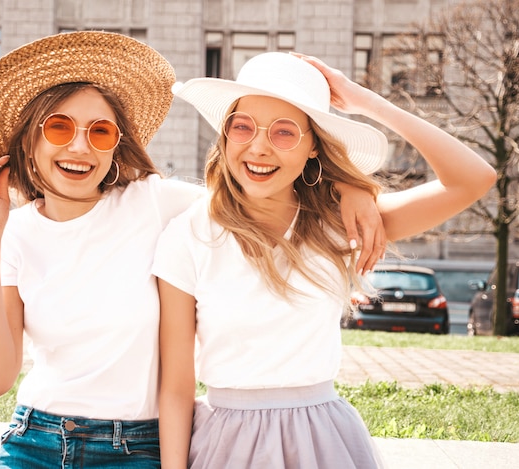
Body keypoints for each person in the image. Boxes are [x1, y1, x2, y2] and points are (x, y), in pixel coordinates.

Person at [0, 32, 385, 468]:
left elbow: (257, 189)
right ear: (30, 142)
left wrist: (348, 186)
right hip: (34, 441)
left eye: (100, 131)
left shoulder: (155, 203)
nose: (79, 146)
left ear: (117, 146)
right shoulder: (12, 235)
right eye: (59, 126)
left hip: (134, 447)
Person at [153, 52, 497, 468]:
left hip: (321, 440)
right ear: (224, 136)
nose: (258, 147)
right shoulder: (189, 233)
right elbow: (175, 386)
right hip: (227, 442)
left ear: (313, 146)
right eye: (241, 127)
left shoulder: (341, 224)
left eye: (284, 133)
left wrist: (367, 102)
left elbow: (473, 178)